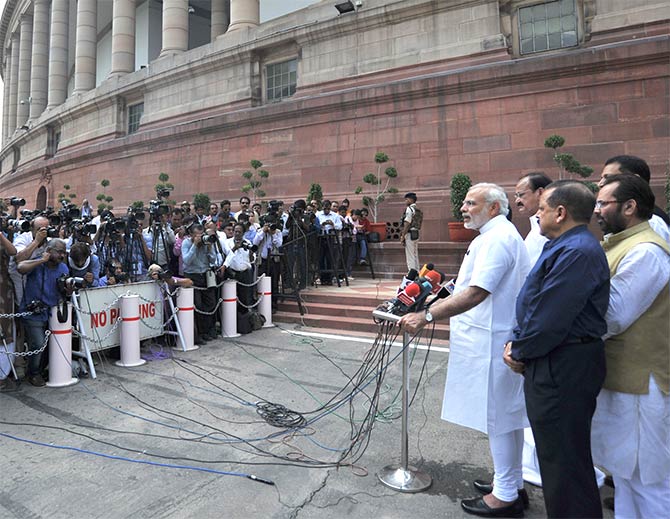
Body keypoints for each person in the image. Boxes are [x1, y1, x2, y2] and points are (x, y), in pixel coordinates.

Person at [401, 183, 530, 518]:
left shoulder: (498, 237)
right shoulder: (491, 235)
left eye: (471, 203)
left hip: (493, 342)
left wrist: (427, 315)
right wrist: (438, 296)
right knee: (505, 418)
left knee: (499, 418)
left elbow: (476, 292)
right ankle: (510, 483)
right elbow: (466, 284)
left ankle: (505, 495)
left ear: (493, 207)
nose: (462, 208)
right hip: (490, 339)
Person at [503, 180, 610, 518]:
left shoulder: (576, 251)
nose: (537, 214)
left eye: (543, 209)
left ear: (561, 213)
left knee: (565, 463)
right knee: (557, 461)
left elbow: (550, 316)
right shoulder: (565, 245)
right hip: (554, 359)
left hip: (562, 364)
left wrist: (519, 350)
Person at [590, 174, 670, 518]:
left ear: (630, 206)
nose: (596, 211)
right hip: (623, 379)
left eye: (602, 203)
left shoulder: (646, 251)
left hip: (641, 384)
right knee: (624, 475)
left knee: (647, 479)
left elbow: (612, 316)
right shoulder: (623, 243)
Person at [17, 239, 70, 387]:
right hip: (32, 312)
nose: (61, 255)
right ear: (49, 250)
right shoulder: (37, 263)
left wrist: (69, 289)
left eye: (63, 252)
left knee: (49, 345)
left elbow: (64, 289)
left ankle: (41, 369)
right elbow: (20, 267)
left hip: (52, 312)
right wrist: (41, 260)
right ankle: (33, 373)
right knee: (38, 343)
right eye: (58, 251)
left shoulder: (63, 267)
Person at [599, 154, 670, 243]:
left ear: (635, 178)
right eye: (601, 178)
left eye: (608, 177)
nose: (600, 184)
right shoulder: (619, 221)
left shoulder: (653, 223)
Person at [181, 224, 218, 345]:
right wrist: (195, 246)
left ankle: (208, 330)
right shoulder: (186, 243)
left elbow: (213, 260)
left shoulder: (206, 242)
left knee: (210, 303)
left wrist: (209, 248)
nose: (200, 237)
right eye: (197, 235)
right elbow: (187, 260)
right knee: (198, 305)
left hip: (205, 275)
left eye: (202, 235)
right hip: (192, 276)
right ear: (191, 235)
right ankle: (199, 334)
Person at [0, 228, 17, 391]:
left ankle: (2, 375)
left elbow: (13, 251)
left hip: (4, 290)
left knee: (6, 331)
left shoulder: (3, 238)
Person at [400, 192, 420, 272]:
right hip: (416, 234)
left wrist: (403, 235)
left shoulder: (409, 209)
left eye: (407, 199)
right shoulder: (417, 209)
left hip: (409, 234)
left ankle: (412, 273)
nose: (406, 201)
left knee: (410, 256)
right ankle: (417, 272)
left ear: (411, 200)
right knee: (415, 255)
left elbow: (407, 223)